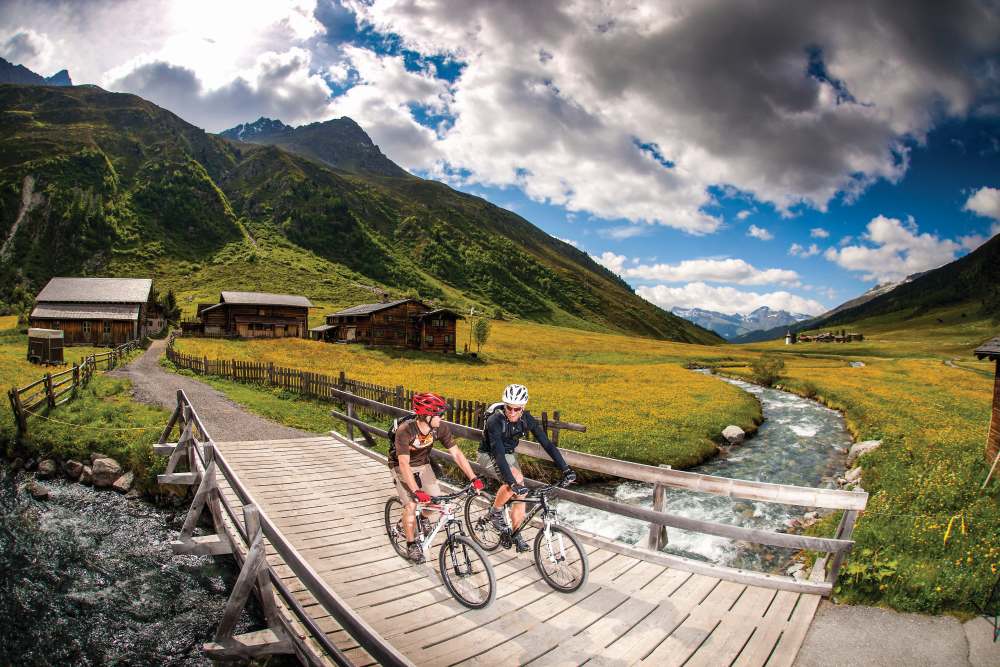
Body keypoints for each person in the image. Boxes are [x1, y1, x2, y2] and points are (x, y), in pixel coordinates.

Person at [478, 383, 576, 552]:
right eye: (509, 408)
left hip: (508, 455)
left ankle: (515, 534)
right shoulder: (495, 420)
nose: (512, 412)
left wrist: (566, 469)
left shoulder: (526, 419)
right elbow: (498, 454)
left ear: (523, 408)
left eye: (517, 409)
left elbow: (547, 444)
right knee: (515, 482)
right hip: (489, 454)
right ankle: (495, 512)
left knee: (520, 494)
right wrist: (512, 481)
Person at [390, 392, 484, 562]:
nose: (442, 417)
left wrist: (473, 478)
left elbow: (456, 454)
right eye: (439, 414)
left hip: (424, 465)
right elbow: (403, 464)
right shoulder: (406, 430)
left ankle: (423, 518)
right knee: (411, 504)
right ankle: (411, 545)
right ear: (426, 415)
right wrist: (416, 490)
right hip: (400, 466)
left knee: (436, 501)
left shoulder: (439, 428)